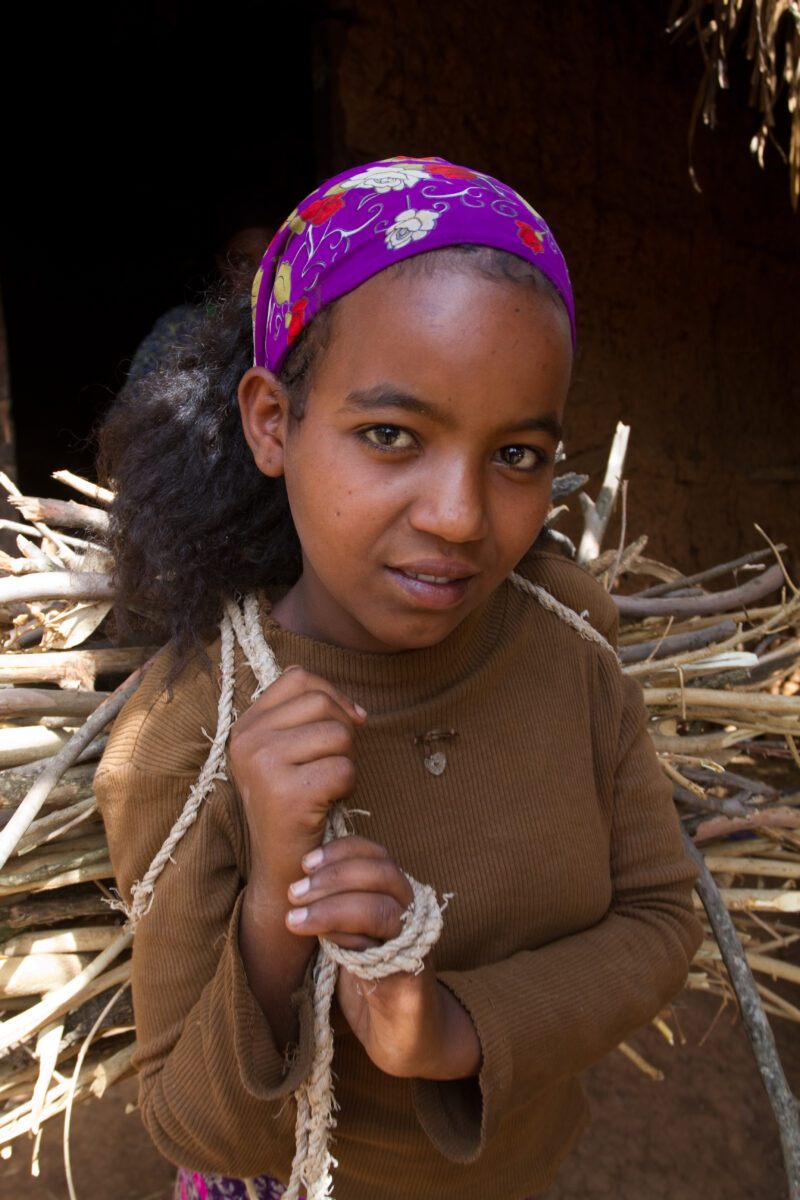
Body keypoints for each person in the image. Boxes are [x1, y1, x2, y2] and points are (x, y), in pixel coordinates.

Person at [95, 156, 702, 1200]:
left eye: (514, 455)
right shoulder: (186, 736)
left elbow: (656, 920)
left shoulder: (572, 660)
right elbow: (190, 1124)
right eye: (390, 436)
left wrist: (458, 1030)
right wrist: (273, 902)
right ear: (271, 423)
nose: (459, 517)